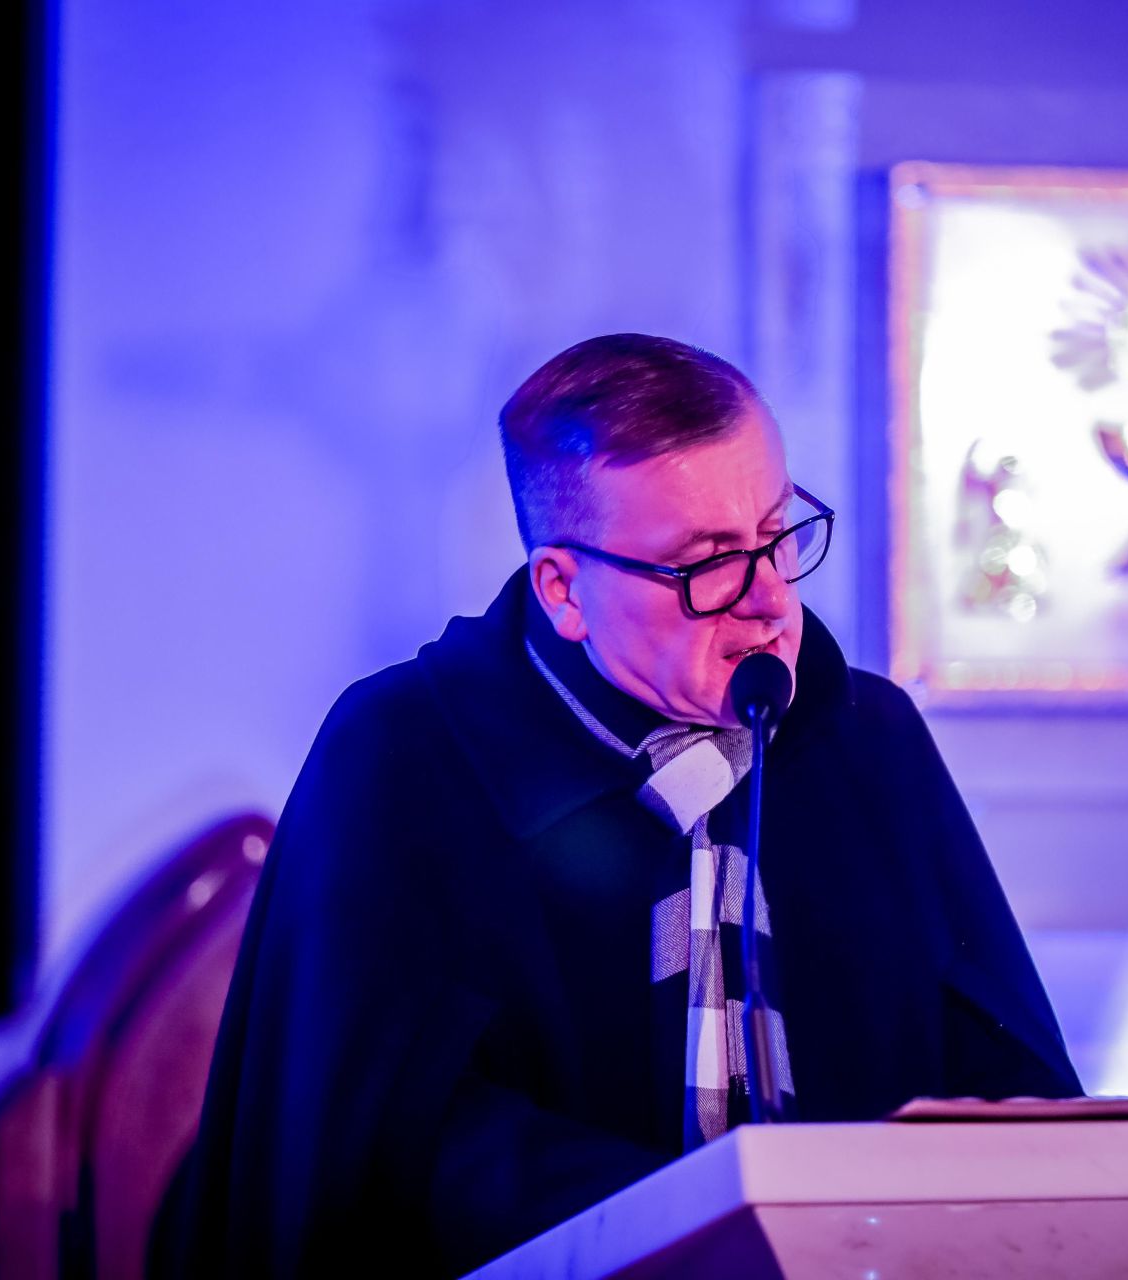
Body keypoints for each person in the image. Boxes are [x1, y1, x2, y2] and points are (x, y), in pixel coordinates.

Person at [172, 334, 1081, 1276]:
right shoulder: (405, 753)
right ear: (563, 591)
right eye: (707, 565)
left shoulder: (866, 738)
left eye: (778, 533)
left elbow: (1006, 1079)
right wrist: (707, 1223)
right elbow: (385, 1147)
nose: (771, 602)